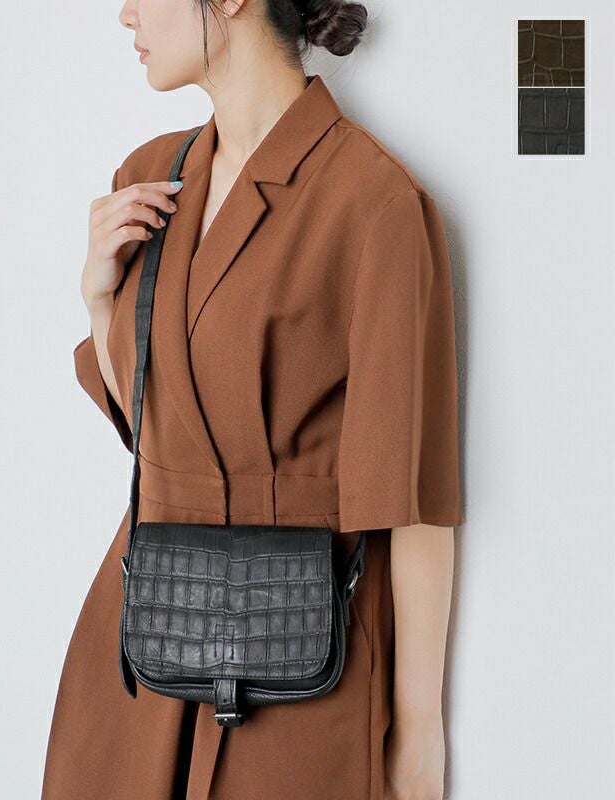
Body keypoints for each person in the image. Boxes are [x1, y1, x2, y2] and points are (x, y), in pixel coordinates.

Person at [42, 1, 464, 798]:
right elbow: (154, 432)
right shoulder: (148, 179)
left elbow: (411, 497)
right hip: (141, 648)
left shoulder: (374, 202)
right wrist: (98, 301)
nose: (126, 13)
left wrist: (418, 730)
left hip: (300, 658)